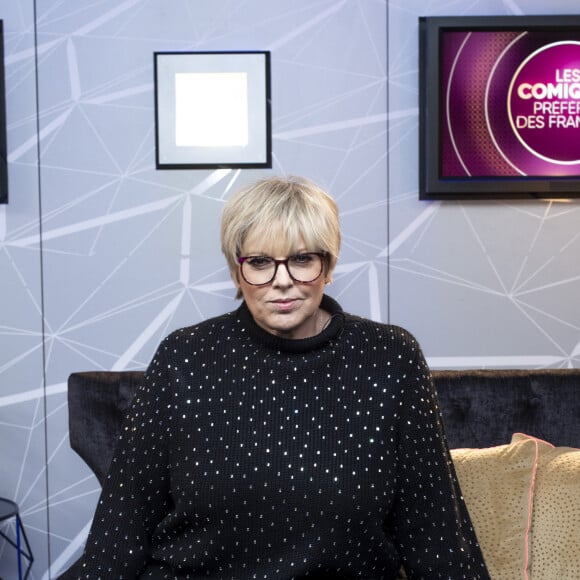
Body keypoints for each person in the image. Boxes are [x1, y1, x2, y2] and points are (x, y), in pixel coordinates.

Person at [60, 176, 490, 579]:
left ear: (329, 264)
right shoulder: (186, 356)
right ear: (236, 269)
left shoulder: (389, 356)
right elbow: (121, 529)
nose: (282, 281)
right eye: (261, 262)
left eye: (302, 259)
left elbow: (437, 537)